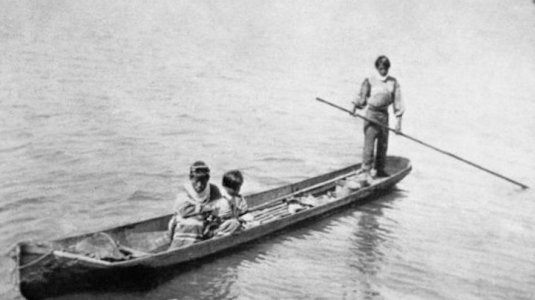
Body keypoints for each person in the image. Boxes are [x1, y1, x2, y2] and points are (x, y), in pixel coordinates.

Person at [351, 55, 405, 178]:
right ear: (377, 68)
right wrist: (354, 107)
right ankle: (366, 170)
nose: (383, 70)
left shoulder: (393, 82)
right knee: (369, 143)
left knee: (383, 144)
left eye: (385, 68)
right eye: (381, 68)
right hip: (371, 115)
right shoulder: (369, 80)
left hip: (384, 116)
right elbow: (362, 96)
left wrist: (398, 123)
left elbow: (398, 103)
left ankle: (380, 169)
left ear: (388, 68)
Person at [168, 161, 222, 249]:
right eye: (196, 181)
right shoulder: (184, 189)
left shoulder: (213, 189)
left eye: (203, 182)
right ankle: (179, 247)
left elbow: (219, 209)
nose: (199, 185)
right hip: (183, 220)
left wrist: (210, 218)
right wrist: (205, 209)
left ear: (207, 179)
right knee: (191, 224)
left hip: (206, 221)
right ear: (191, 178)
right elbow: (183, 211)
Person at [209, 170, 250, 237]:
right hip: (218, 225)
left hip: (228, 222)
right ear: (224, 186)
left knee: (244, 221)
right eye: (233, 188)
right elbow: (217, 218)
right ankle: (217, 234)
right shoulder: (220, 199)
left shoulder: (239, 198)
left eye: (238, 187)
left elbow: (244, 212)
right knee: (235, 223)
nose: (237, 190)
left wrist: (243, 217)